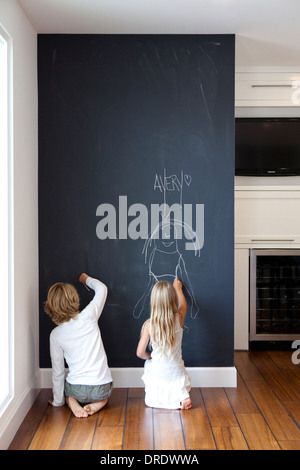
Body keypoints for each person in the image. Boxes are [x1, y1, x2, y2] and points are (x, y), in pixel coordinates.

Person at [44, 273, 113, 418]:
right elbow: (102, 289)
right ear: (75, 299)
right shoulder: (89, 316)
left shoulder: (56, 334)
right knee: (104, 398)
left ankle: (72, 402)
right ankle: (97, 404)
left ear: (51, 307)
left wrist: (58, 401)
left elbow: (58, 371)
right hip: (101, 387)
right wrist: (86, 279)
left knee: (70, 395)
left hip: (77, 389)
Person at [136, 278, 192, 410]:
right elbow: (183, 305)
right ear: (172, 301)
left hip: (158, 373)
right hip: (176, 372)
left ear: (154, 302)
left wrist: (149, 356)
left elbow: (139, 353)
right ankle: (181, 395)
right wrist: (178, 288)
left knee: (149, 365)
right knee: (176, 376)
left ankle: (157, 399)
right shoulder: (178, 319)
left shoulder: (149, 325)